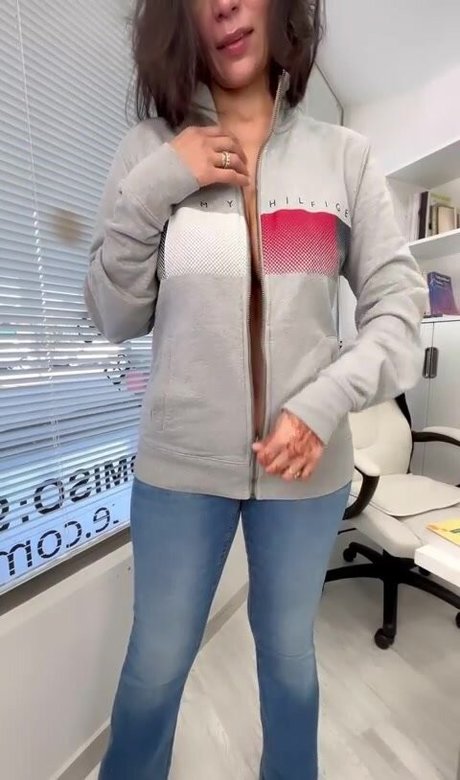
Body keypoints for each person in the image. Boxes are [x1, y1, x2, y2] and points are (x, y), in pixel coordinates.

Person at [84, 0, 427, 777]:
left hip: (307, 472)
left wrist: (323, 403)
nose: (226, 7)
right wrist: (162, 181)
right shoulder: (148, 152)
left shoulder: (344, 158)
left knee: (289, 662)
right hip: (179, 471)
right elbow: (113, 315)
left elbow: (398, 309)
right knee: (154, 669)